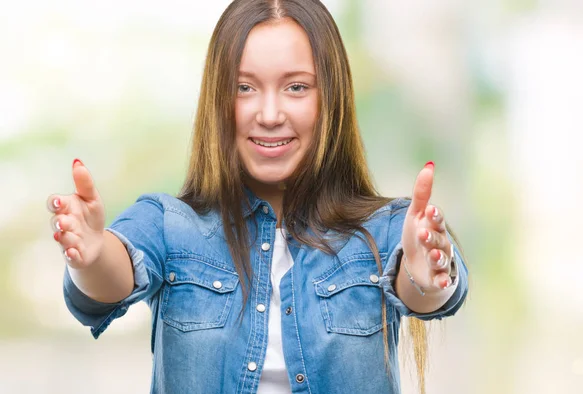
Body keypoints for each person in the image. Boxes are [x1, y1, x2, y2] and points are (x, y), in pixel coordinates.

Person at [47, 1, 468, 393]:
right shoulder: (167, 224)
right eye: (244, 88)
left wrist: (425, 271)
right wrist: (91, 252)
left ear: (331, 100)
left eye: (297, 88)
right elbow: (106, 280)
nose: (268, 115)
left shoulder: (386, 228)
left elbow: (429, 289)